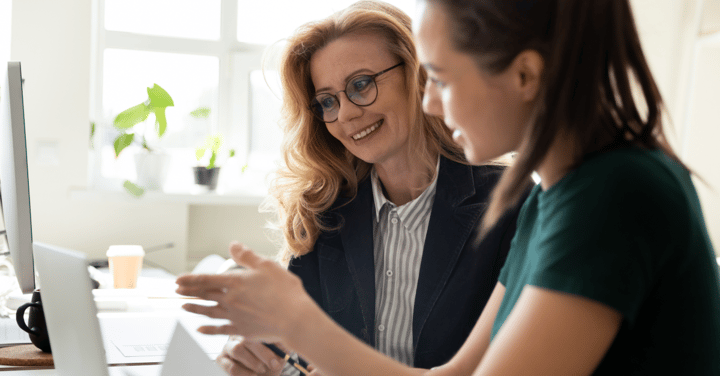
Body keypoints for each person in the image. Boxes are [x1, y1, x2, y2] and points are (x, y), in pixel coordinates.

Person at [177, 0, 720, 374]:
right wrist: (288, 331)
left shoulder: (613, 195)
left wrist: (296, 322)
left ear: (525, 76)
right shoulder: (553, 199)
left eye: (439, 78)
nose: (430, 101)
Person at [212, 2, 524, 375]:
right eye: (327, 101)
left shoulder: (508, 203)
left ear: (418, 73)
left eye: (361, 84)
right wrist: (250, 357)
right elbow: (290, 354)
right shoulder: (323, 209)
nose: (344, 114)